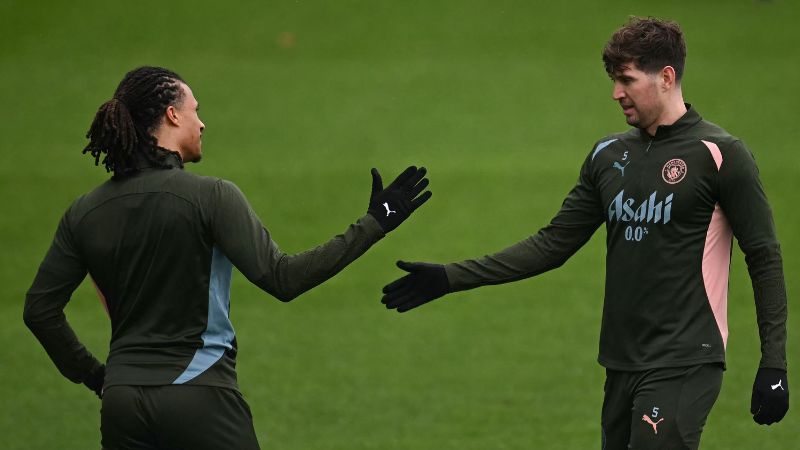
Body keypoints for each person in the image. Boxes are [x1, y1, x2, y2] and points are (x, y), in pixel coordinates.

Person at [381, 17, 788, 449]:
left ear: (666, 77)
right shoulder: (607, 156)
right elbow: (552, 244)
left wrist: (774, 364)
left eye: (627, 80)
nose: (616, 93)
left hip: (685, 359)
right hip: (620, 361)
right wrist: (450, 278)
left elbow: (764, 257)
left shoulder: (721, 155)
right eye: (614, 81)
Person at [23, 66, 432, 450]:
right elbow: (283, 278)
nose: (201, 123)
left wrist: (97, 377)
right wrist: (377, 221)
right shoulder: (211, 197)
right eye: (194, 110)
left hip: (121, 406)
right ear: (172, 115)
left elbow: (40, 310)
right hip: (200, 396)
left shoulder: (84, 212)